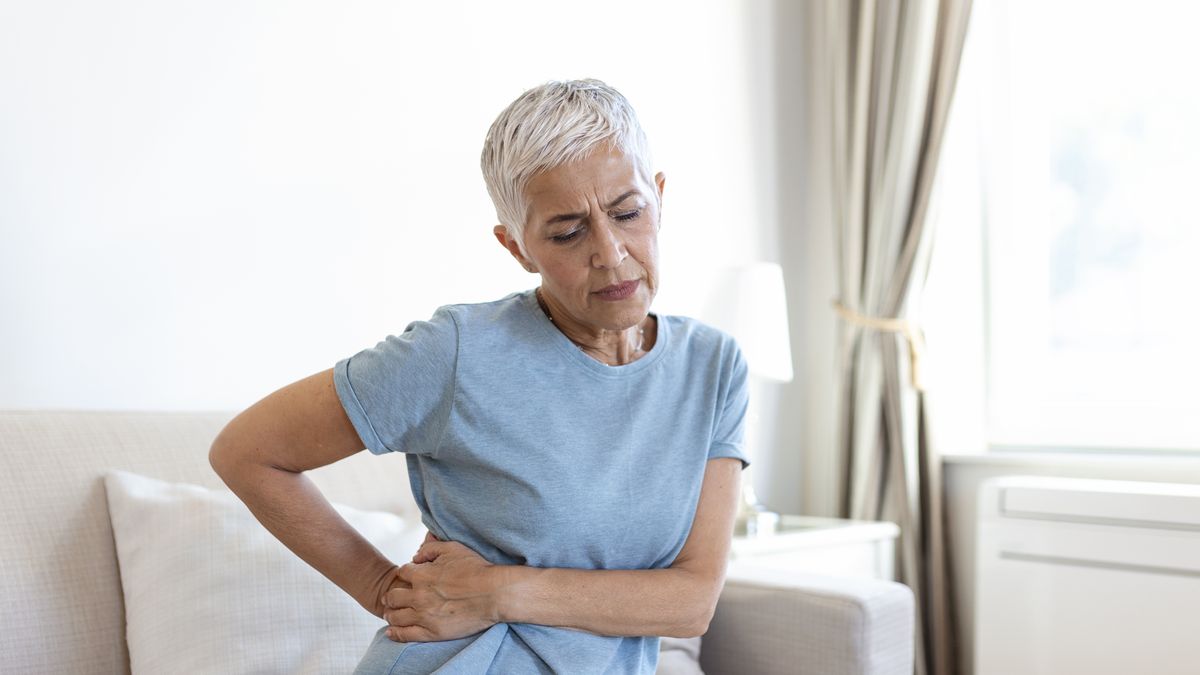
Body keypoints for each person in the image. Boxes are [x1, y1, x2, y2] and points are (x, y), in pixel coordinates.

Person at [209, 78, 749, 674]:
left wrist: (495, 591)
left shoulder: (714, 368)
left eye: (628, 212)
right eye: (567, 232)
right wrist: (385, 589)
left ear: (661, 198)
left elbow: (691, 602)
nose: (612, 253)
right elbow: (247, 452)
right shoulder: (458, 351)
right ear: (516, 247)